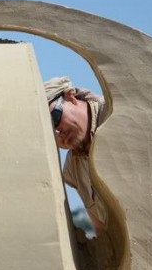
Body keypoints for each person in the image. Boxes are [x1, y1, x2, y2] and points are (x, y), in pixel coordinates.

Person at [44, 76, 109, 235]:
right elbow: (102, 230)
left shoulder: (115, 115)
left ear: (70, 96)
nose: (58, 134)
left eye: (55, 119)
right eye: (48, 133)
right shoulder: (73, 170)